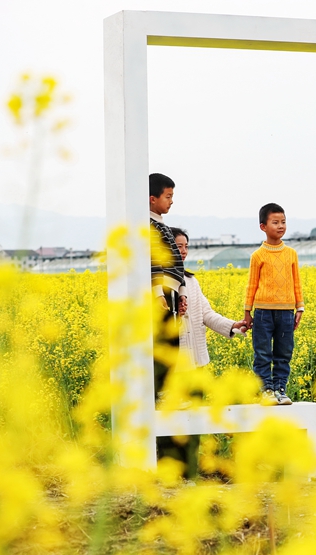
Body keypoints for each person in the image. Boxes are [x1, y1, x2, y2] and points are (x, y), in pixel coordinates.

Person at [148, 173, 189, 475]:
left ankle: (169, 394)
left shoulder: (160, 224)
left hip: (170, 291)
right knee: (163, 345)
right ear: (152, 199)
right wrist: (156, 292)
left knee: (173, 343)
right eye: (168, 196)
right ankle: (161, 395)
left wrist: (182, 292)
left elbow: (176, 262)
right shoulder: (147, 226)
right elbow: (150, 261)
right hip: (159, 291)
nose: (171, 201)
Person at [244, 203, 304, 406]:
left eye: (283, 222)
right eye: (275, 222)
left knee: (284, 353)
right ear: (263, 226)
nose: (281, 226)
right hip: (262, 312)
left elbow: (296, 281)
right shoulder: (258, 255)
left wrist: (300, 307)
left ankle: (280, 388)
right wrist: (247, 312)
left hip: (287, 311)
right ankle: (266, 390)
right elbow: (251, 284)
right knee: (262, 353)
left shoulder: (291, 254)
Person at [171, 227, 249, 367]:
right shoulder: (159, 283)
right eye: (179, 246)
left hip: (197, 360)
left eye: (186, 247)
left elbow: (206, 314)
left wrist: (232, 325)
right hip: (174, 364)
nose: (184, 251)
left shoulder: (191, 281)